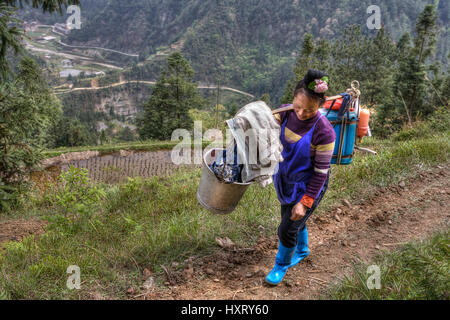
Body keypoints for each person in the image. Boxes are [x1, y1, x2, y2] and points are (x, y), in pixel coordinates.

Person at [265, 69, 336, 285]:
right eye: (298, 106)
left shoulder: (324, 132)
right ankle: (302, 249)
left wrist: (305, 203)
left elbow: (320, 174)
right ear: (292, 99)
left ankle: (280, 266)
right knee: (292, 219)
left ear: (320, 106)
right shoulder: (285, 113)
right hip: (287, 181)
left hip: (310, 185)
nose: (302, 113)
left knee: (286, 228)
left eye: (310, 110)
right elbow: (265, 127)